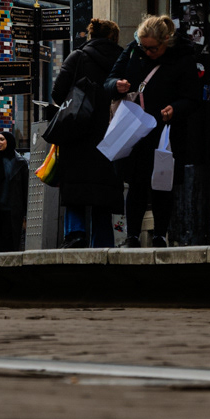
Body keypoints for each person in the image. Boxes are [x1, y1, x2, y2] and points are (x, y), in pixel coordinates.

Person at [105, 14, 202, 247]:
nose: (147, 52)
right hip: (134, 130)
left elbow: (192, 98)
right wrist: (116, 85)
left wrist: (175, 109)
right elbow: (109, 81)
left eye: (153, 49)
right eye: (144, 47)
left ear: (166, 41)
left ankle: (160, 235)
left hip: (165, 132)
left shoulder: (182, 58)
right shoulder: (133, 50)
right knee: (136, 184)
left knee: (162, 184)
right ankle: (132, 236)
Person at [50, 17, 125, 248]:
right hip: (110, 134)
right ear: (114, 38)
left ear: (91, 35)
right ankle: (102, 242)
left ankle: (75, 233)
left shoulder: (78, 57)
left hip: (78, 133)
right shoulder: (122, 59)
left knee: (76, 187)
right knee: (103, 192)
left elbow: (57, 93)